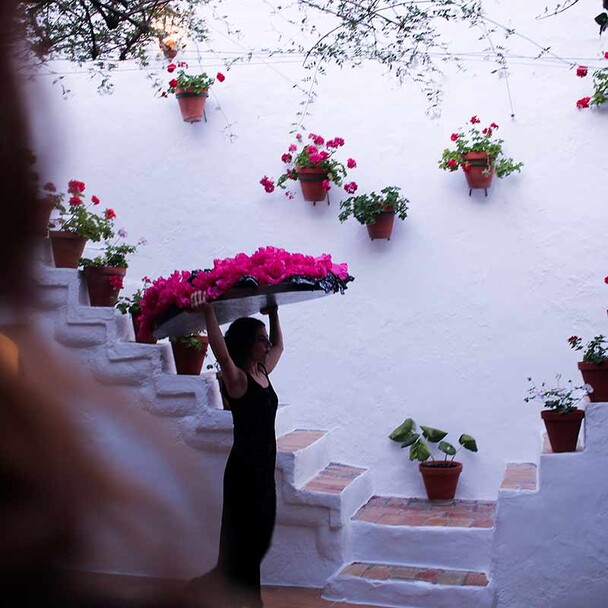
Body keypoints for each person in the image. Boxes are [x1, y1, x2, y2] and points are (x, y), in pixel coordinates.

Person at [188, 290, 284, 608]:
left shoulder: (262, 371)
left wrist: (273, 312)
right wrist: (209, 314)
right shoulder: (238, 380)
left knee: (255, 541)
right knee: (244, 542)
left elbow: (280, 346)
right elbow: (221, 352)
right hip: (244, 472)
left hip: (263, 470)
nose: (267, 343)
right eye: (261, 339)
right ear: (247, 344)